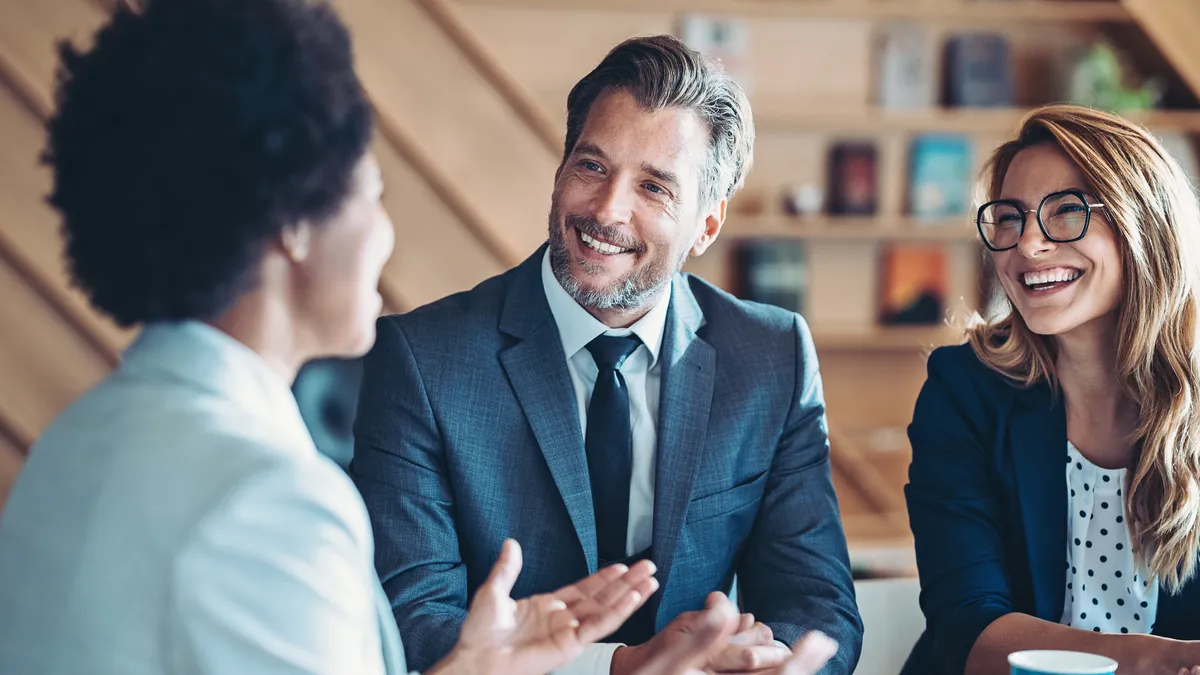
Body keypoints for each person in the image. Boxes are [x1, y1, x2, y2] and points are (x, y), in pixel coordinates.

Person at [0, 1, 660, 672]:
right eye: (373, 194)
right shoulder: (268, 503)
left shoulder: (72, 441)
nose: (384, 234)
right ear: (294, 221)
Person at [350, 34, 862, 675]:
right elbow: (411, 621)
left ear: (706, 225)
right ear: (561, 168)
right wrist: (616, 667)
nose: (607, 210)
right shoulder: (423, 361)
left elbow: (817, 602)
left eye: (654, 188)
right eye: (592, 166)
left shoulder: (771, 357)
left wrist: (765, 661)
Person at [902, 104, 1200, 675]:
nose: (1028, 246)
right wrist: (1151, 659)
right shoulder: (964, 390)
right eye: (1010, 218)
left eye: (1066, 212)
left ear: (1147, 225)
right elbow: (969, 625)